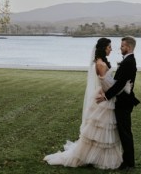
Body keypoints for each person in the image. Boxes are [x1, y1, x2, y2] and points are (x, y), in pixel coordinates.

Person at [43, 37, 129, 169]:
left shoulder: (101, 62)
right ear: (103, 48)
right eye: (109, 47)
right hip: (105, 99)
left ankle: (96, 156)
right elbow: (106, 84)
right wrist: (124, 86)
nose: (111, 49)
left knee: (103, 132)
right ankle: (95, 157)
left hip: (105, 96)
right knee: (102, 132)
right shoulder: (100, 64)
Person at [97, 36, 139, 170]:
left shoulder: (129, 62)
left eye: (122, 46)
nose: (120, 48)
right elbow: (120, 81)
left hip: (124, 103)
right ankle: (127, 161)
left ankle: (129, 163)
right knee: (123, 132)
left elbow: (120, 84)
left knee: (125, 133)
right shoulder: (128, 60)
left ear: (129, 47)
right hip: (123, 101)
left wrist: (106, 96)